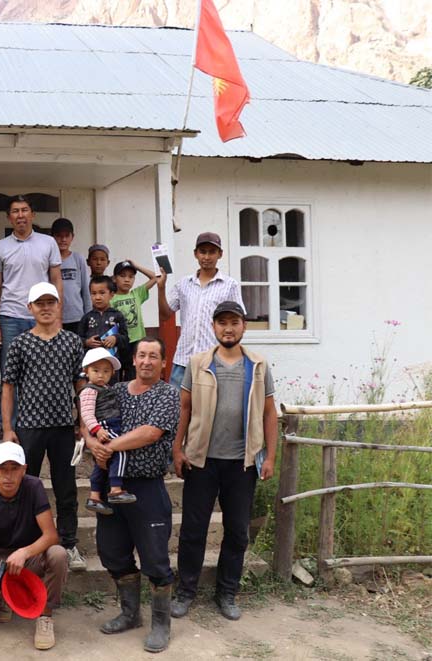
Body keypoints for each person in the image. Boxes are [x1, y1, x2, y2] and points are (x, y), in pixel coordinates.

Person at [171, 301, 278, 621]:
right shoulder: (198, 363)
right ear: (213, 327)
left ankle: (227, 592)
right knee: (193, 530)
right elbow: (185, 408)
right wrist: (177, 449)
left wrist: (270, 456)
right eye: (222, 323)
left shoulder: (258, 365)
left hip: (242, 464)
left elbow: (269, 413)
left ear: (243, 326)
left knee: (237, 531)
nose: (228, 328)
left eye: (234, 322)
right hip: (201, 461)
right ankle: (185, 591)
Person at [85, 337, 180, 654]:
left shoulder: (167, 394)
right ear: (134, 360)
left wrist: (109, 447)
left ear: (163, 363)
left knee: (155, 556)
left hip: (146, 487)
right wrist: (92, 442)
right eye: (142, 355)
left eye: (154, 356)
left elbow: (150, 433)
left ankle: (161, 624)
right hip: (112, 487)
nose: (147, 361)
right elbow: (87, 418)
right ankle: (130, 613)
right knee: (112, 551)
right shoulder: (115, 390)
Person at [0, 282, 86, 571]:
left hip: (64, 427)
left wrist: (83, 421)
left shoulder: (72, 342)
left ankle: (69, 544)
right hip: (29, 427)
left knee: (66, 488)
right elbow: (8, 386)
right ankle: (26, 542)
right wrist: (7, 428)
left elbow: (80, 384)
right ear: (30, 308)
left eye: (51, 302)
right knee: (26, 486)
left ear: (59, 305)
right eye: (40, 303)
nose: (46, 308)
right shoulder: (20, 343)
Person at [0, 442, 68, 651]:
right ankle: (3, 598)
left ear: (24, 469)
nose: (8, 476)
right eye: (3, 468)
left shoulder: (34, 487)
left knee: (58, 554)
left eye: (15, 468)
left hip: (29, 556)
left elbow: (51, 535)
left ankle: (45, 615)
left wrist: (24, 552)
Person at [0, 194, 62, 428]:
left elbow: (56, 279)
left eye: (24, 210)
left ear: (32, 214)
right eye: (15, 211)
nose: (20, 215)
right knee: (10, 375)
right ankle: (8, 428)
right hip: (9, 317)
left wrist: (57, 317)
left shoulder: (48, 243)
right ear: (9, 217)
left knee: (43, 373)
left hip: (41, 317)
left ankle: (37, 425)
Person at [158, 232, 244, 388]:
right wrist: (161, 288)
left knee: (211, 403)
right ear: (195, 254)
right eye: (203, 252)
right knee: (177, 403)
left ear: (220, 254)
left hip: (214, 361)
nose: (207, 257)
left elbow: (239, 321)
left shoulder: (229, 285)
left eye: (212, 252)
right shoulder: (183, 284)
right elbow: (165, 315)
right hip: (183, 361)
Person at [78, 348, 131, 514]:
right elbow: (86, 414)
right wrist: (97, 430)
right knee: (121, 450)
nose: (101, 375)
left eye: (106, 371)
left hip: (111, 425)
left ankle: (94, 497)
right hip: (105, 425)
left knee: (102, 462)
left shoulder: (107, 388)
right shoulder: (89, 390)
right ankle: (115, 489)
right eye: (96, 371)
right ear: (86, 371)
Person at [110, 259, 164, 381]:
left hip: (136, 341)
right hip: (119, 341)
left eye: (131, 276)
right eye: (122, 276)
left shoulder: (137, 294)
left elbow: (155, 277)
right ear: (114, 278)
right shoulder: (111, 298)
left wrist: (136, 266)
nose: (127, 279)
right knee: (117, 373)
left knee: (133, 374)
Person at [78, 275, 129, 370]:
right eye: (93, 293)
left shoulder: (117, 315)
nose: (97, 297)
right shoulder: (86, 317)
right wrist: (87, 342)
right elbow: (78, 339)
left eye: (102, 293)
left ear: (111, 294)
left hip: (111, 362)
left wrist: (115, 338)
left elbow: (126, 339)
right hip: (92, 362)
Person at [50, 217, 90, 334]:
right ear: (52, 237)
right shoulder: (48, 260)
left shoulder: (78, 259)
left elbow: (86, 290)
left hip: (77, 317)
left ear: (72, 236)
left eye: (67, 236)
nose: (63, 239)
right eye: (59, 236)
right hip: (54, 317)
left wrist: (88, 316)